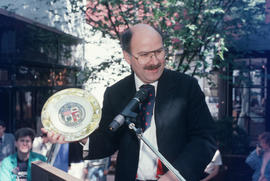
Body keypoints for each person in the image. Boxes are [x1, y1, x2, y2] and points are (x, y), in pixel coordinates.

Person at [43, 23, 216, 181]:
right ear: (127, 56)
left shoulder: (186, 87)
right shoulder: (115, 93)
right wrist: (80, 135)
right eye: (145, 55)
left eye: (159, 51)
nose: (155, 61)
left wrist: (174, 176)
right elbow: (107, 141)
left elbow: (205, 140)